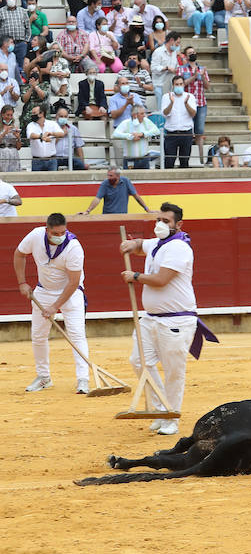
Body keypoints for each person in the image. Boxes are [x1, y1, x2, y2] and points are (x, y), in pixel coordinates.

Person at [120, 203, 216, 436]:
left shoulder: (180, 248)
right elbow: (142, 245)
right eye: (159, 219)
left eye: (166, 221)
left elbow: (162, 279)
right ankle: (162, 408)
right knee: (139, 361)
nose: (160, 224)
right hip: (151, 319)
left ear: (178, 225)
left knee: (173, 371)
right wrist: (132, 244)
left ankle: (172, 416)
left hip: (176, 321)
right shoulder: (159, 243)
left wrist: (135, 276)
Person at [16, 213, 90, 393]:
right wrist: (22, 282)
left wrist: (54, 306)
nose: (60, 236)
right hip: (43, 291)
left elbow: (73, 283)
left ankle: (83, 379)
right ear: (47, 230)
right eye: (55, 233)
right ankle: (43, 377)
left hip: (71, 294)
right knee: (38, 336)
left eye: (63, 232)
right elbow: (19, 254)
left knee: (77, 335)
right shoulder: (35, 235)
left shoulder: (74, 247)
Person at [80, 166, 151, 215]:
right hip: (107, 216)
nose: (108, 177)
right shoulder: (105, 183)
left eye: (111, 176)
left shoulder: (126, 181)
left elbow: (136, 196)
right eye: (108, 175)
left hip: (122, 216)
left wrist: (147, 209)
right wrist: (88, 211)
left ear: (118, 176)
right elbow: (97, 199)